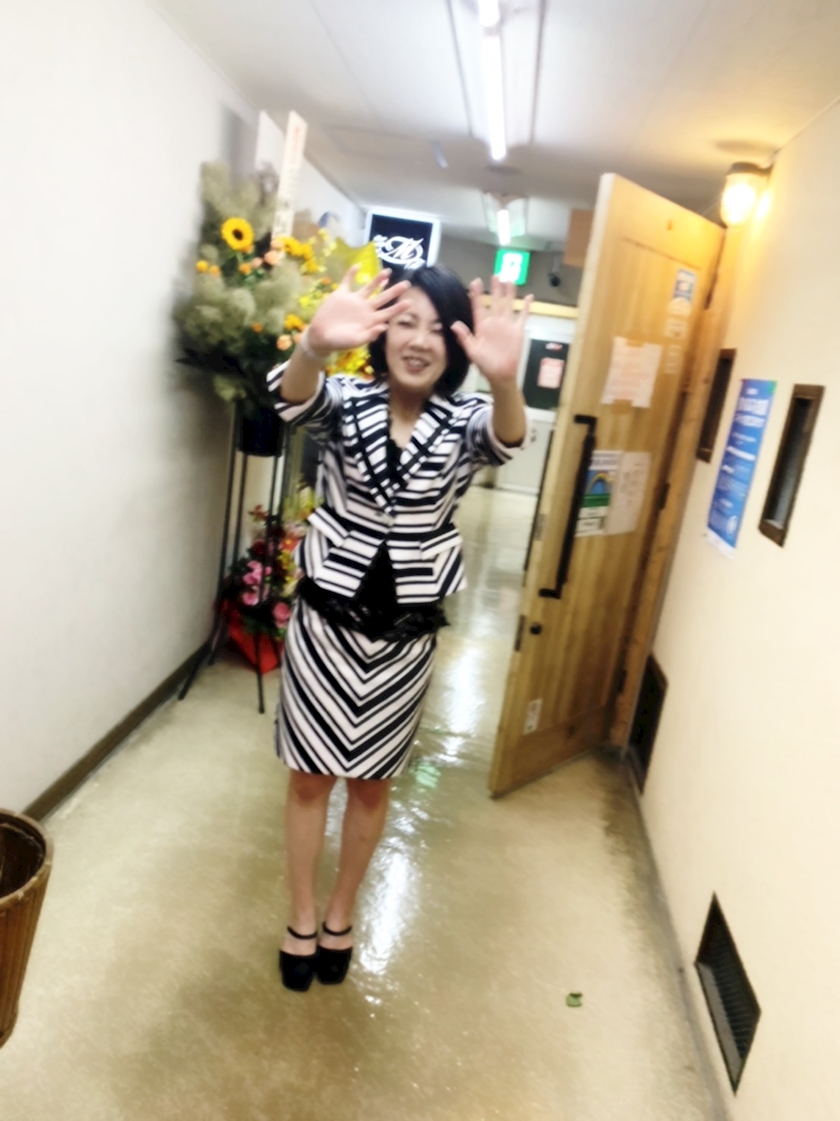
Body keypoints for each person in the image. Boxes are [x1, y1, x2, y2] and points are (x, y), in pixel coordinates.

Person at [268, 264, 532, 991]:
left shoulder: (463, 421)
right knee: (308, 778)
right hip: (325, 620)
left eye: (436, 328)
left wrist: (506, 381)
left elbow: (507, 437)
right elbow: (293, 398)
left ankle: (341, 910)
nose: (418, 341)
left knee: (371, 783)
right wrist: (314, 346)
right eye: (405, 322)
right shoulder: (346, 401)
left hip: (406, 633)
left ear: (456, 345)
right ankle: (300, 911)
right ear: (382, 333)